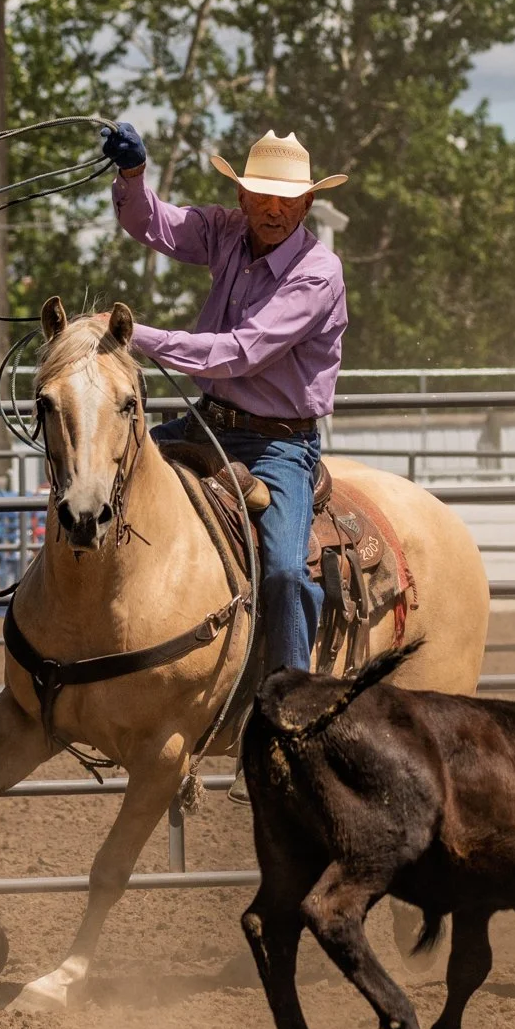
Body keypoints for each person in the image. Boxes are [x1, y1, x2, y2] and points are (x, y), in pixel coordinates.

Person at [99, 122, 349, 680]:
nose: (274, 209)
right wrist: (133, 175)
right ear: (242, 195)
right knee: (100, 482)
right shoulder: (226, 230)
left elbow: (239, 353)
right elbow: (152, 224)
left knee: (285, 572)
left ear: (307, 202)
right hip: (208, 422)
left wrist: (133, 335)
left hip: (278, 447)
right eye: (262, 195)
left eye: (287, 199)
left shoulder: (316, 275)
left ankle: (291, 703)